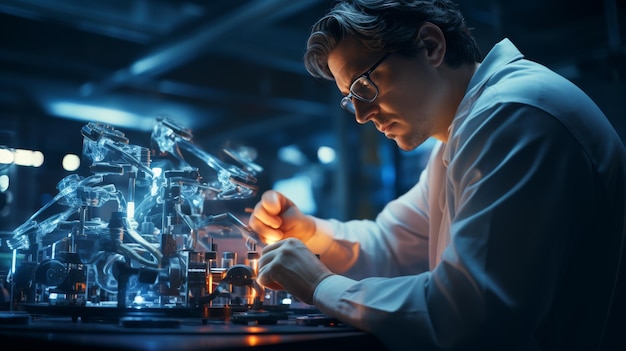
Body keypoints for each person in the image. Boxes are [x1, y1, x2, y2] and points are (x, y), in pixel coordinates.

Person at [248, 0, 626, 350]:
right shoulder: (459, 137)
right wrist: (311, 234)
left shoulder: (513, 114)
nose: (362, 115)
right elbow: (392, 245)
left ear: (430, 46)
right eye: (351, 99)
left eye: (364, 86)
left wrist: (321, 285)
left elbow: (472, 315)